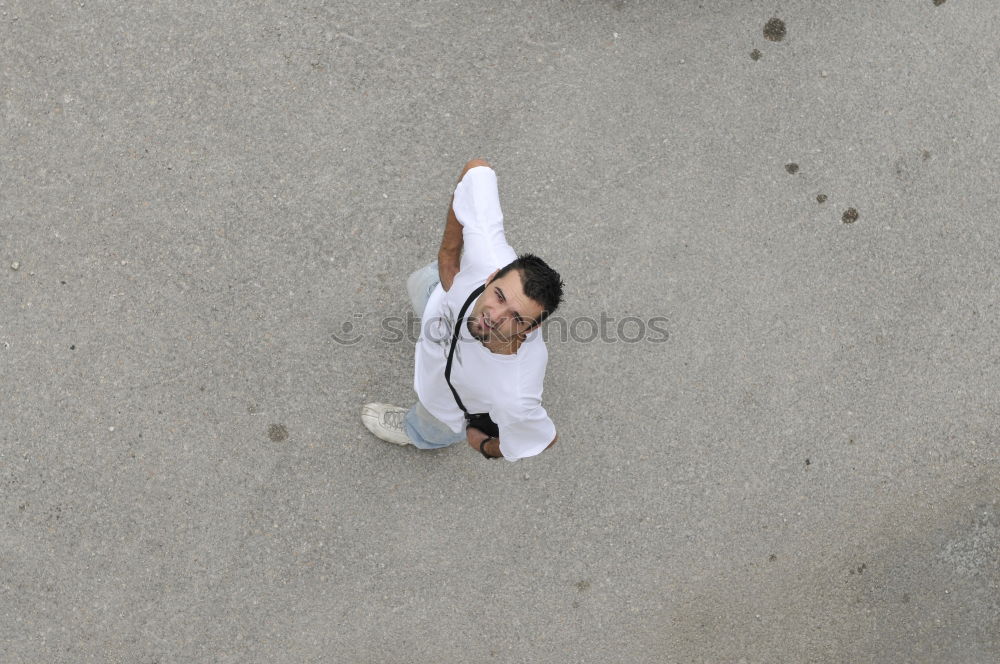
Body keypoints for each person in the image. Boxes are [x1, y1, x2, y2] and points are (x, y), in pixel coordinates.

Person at [361, 158, 564, 461]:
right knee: (418, 284)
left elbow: (539, 439)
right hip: (439, 302)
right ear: (492, 275)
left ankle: (415, 432)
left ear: (531, 329)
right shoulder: (488, 255)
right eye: (498, 295)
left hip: (446, 403)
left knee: (432, 424)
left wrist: (484, 446)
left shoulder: (515, 394)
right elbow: (476, 171)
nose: (494, 316)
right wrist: (448, 255)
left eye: (516, 317)